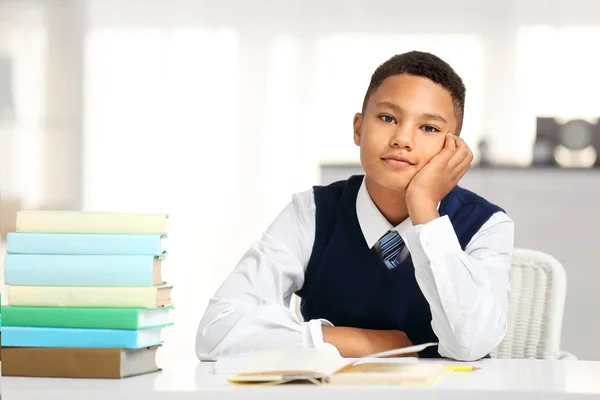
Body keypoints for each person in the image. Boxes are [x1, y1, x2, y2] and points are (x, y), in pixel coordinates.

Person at [195, 51, 514, 362]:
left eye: (428, 128)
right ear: (358, 128)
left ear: (452, 147)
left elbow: (469, 344)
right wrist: (360, 341)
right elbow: (216, 332)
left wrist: (423, 208)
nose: (402, 139)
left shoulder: (486, 225)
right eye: (388, 118)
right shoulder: (312, 212)